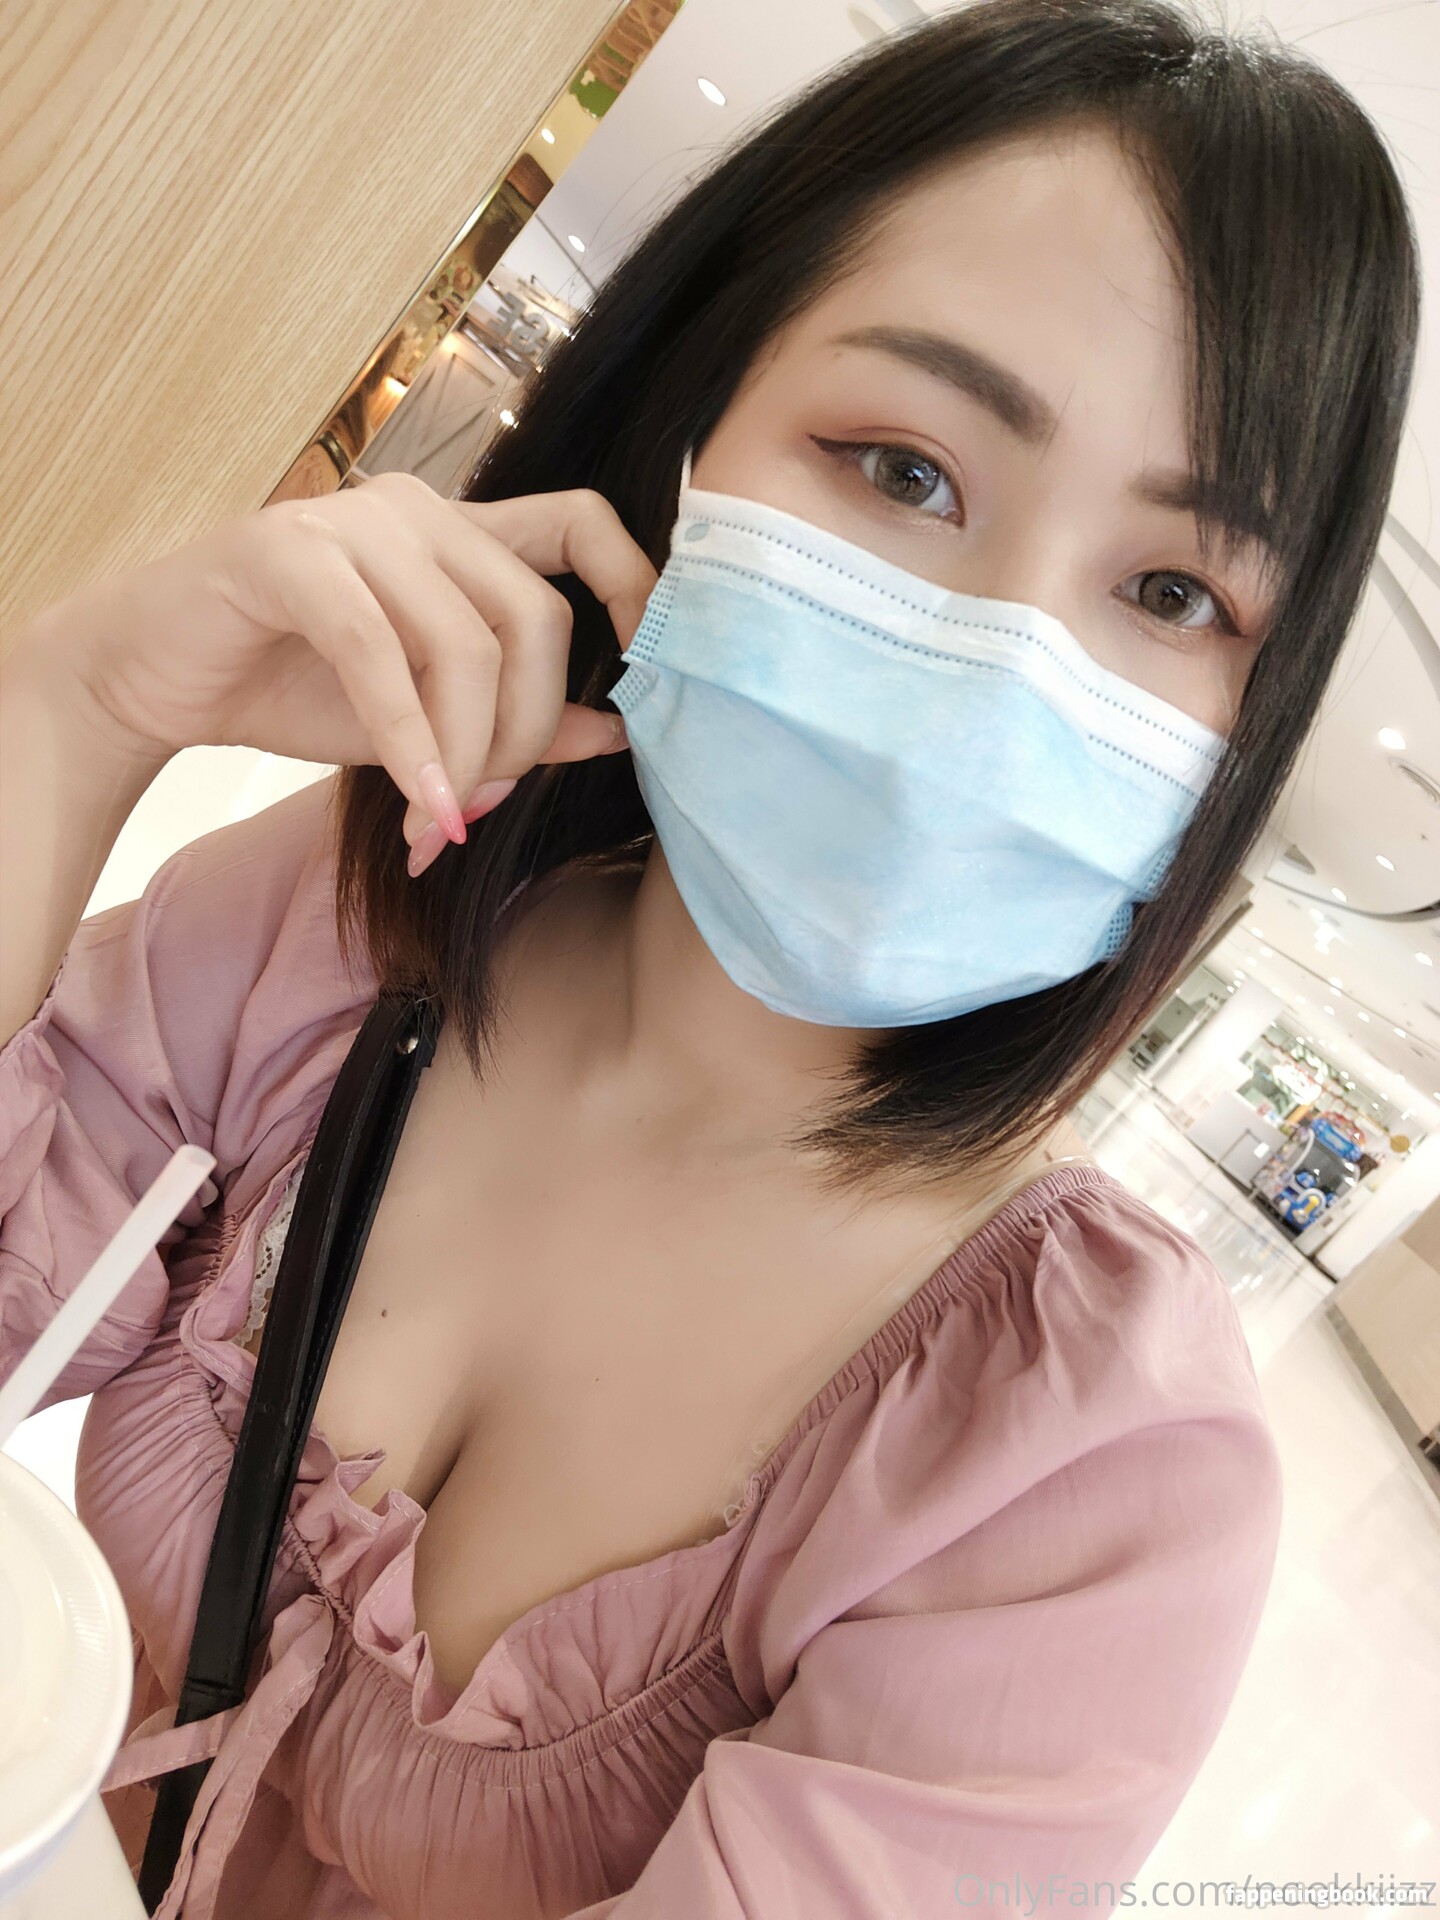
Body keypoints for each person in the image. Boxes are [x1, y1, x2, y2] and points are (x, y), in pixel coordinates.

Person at [0, 0, 1419, 1914]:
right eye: (903, 469)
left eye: (1172, 591)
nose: (990, 665)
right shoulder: (355, 925)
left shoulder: (1086, 1459)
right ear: (682, 436)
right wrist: (74, 712)